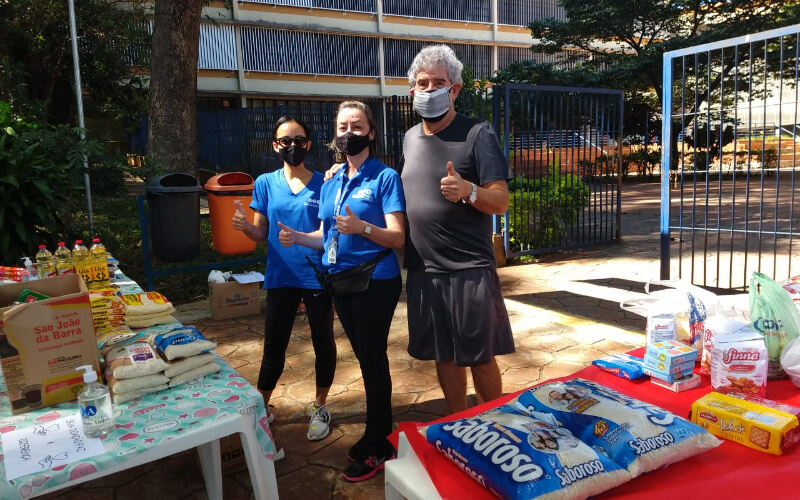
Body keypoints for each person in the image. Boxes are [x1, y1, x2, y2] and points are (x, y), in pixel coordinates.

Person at [277, 101, 406, 482]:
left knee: (372, 358)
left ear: (371, 132)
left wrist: (363, 228)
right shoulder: (332, 180)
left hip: (375, 281)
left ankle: (379, 440)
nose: (349, 132)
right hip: (341, 283)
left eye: (357, 126)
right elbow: (324, 237)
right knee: (367, 358)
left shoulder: (385, 178)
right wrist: (297, 236)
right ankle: (379, 433)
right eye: (342, 126)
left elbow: (398, 237)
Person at [402, 45, 515, 414]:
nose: (430, 89)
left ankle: (494, 423)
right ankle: (457, 420)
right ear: (412, 90)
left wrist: (469, 191)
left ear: (455, 89)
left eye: (439, 82)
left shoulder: (478, 133)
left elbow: (500, 201)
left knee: (480, 357)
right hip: (424, 270)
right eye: (423, 82)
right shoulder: (409, 138)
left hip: (468, 270)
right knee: (443, 354)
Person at [231, 116, 336, 442]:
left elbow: (327, 233)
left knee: (323, 342)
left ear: (308, 144)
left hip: (317, 276)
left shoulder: (324, 183)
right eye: (285, 141)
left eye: (299, 140)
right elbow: (261, 232)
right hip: (280, 275)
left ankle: (320, 406)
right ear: (275, 146)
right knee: (274, 344)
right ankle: (262, 405)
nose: (292, 146)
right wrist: (245, 227)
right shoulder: (264, 182)